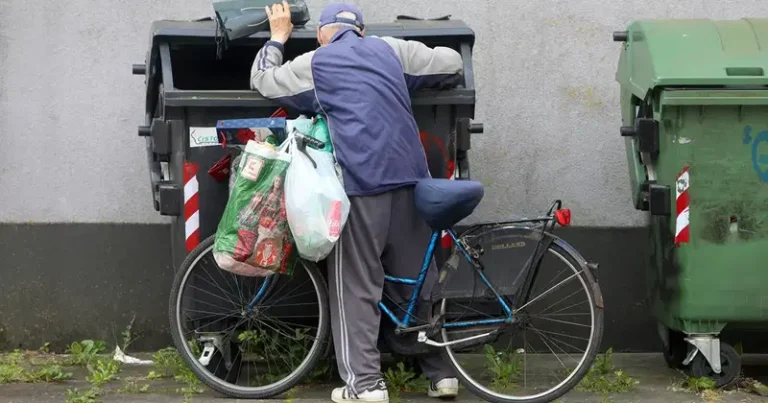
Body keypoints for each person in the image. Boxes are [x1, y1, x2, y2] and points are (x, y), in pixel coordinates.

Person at [250, 2, 464, 402]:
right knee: (419, 283)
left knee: (358, 287)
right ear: (362, 31)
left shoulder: (317, 62)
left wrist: (278, 37)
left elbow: (262, 80)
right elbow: (452, 63)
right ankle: (442, 376)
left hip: (363, 185)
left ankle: (365, 385)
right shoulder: (391, 50)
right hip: (415, 184)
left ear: (321, 34)